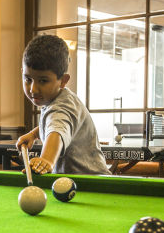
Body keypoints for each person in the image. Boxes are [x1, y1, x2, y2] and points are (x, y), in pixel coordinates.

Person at [16, 34, 110, 175]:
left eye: (43, 81)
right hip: (75, 184)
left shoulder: (62, 107)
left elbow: (58, 129)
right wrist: (34, 134)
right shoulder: (58, 100)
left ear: (63, 80)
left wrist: (47, 159)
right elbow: (53, 123)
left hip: (93, 186)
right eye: (28, 79)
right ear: (22, 72)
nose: (33, 89)